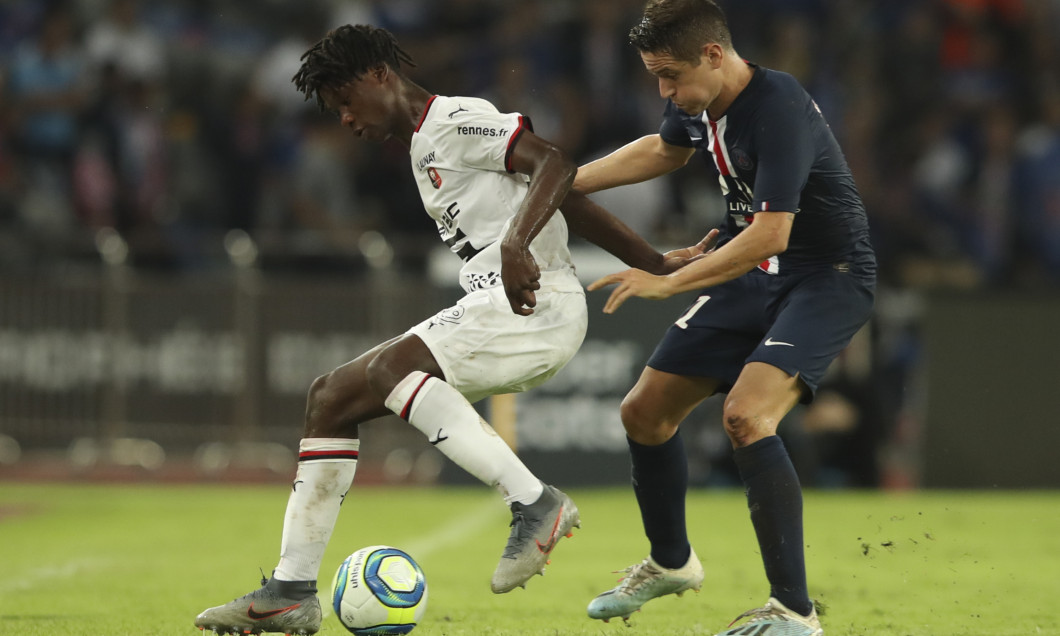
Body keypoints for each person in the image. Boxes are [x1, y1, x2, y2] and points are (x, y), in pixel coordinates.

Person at [194, 23, 713, 636]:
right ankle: (290, 592)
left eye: (345, 101)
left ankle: (535, 503)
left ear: (379, 76)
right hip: (507, 305)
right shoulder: (423, 146)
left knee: (393, 371)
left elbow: (557, 162)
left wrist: (517, 243)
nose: (346, 120)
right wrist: (651, 260)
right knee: (329, 398)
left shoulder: (454, 120)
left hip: (532, 304)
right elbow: (561, 195)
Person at [575, 1, 876, 635]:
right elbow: (664, 150)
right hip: (754, 274)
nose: (664, 91)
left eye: (671, 76)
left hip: (826, 276)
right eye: (655, 77)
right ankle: (670, 562)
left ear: (714, 55)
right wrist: (565, 183)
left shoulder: (778, 107)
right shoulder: (699, 100)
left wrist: (670, 281)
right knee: (643, 413)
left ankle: (794, 612)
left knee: (745, 415)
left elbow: (771, 233)